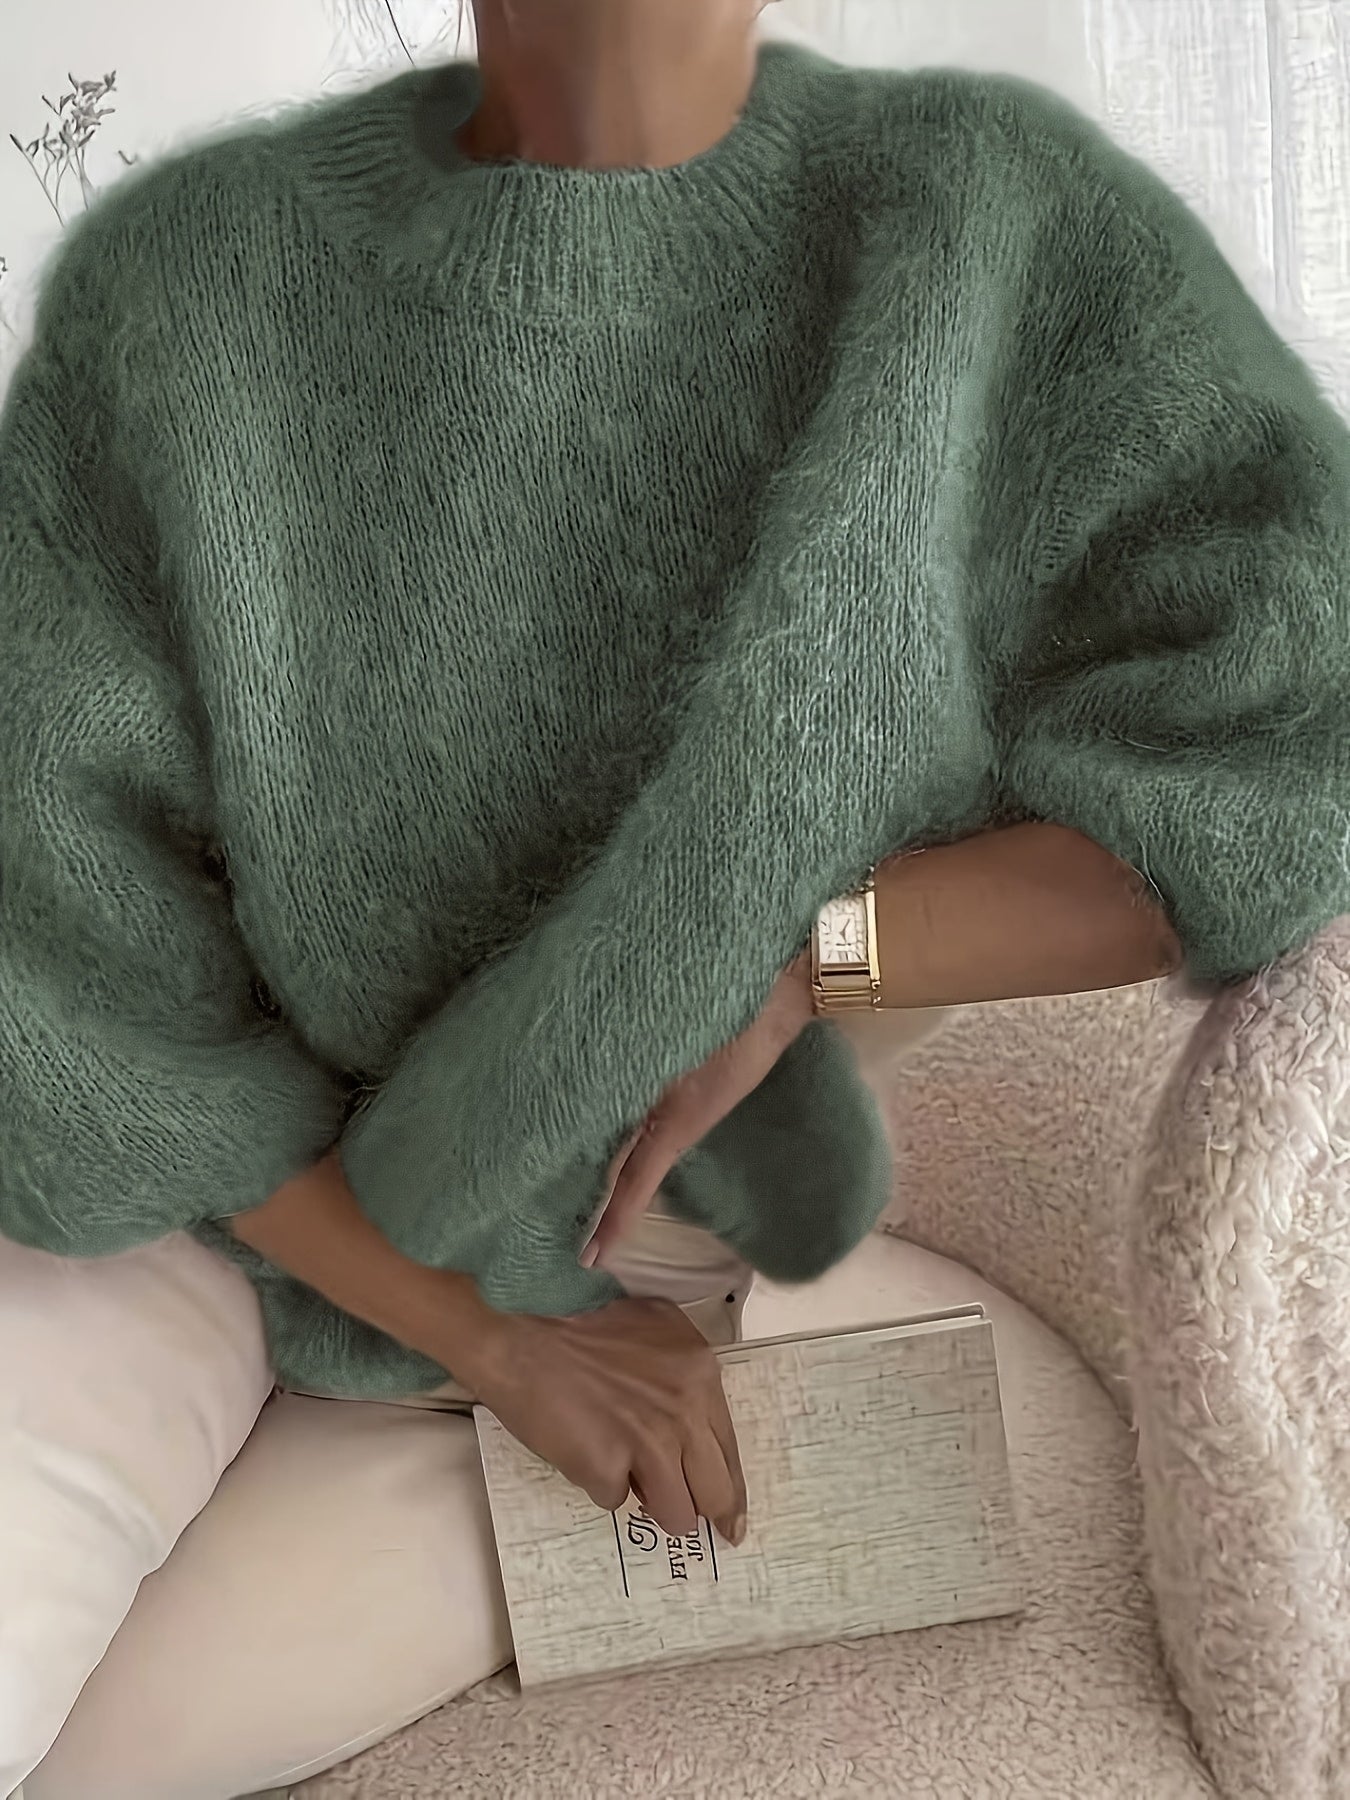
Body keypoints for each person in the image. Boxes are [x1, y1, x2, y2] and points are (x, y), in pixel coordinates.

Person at [2, 0, 1347, 1790]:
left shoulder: (984, 223)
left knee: (102, 1758)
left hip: (610, 1252)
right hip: (193, 1204)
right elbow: (57, 945)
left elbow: (1290, 744)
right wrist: (485, 1339)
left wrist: (807, 962)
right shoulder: (188, 281)